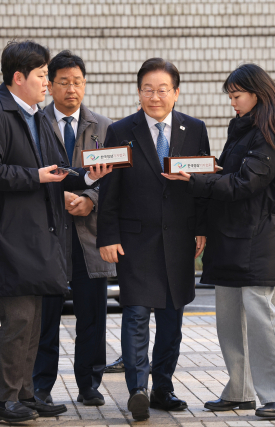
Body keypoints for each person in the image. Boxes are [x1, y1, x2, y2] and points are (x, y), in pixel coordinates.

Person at [0, 40, 112, 423]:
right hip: (9, 238)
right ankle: (4, 400)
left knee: (31, 324)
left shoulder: (32, 116)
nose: (47, 84)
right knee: (17, 322)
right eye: (42, 76)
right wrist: (35, 176)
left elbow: (58, 167)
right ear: (19, 78)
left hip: (36, 238)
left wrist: (87, 176)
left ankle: (26, 394)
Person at [164, 63, 275, 419]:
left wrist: (192, 180)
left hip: (256, 238)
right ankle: (240, 391)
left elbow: (245, 184)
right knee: (229, 319)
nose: (232, 103)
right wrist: (205, 171)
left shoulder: (270, 132)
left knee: (259, 317)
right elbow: (230, 173)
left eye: (236, 96)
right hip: (230, 236)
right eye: (230, 97)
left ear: (258, 93)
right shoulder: (243, 129)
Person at [97, 58, 209, 421]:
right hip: (134, 240)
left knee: (171, 320)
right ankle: (137, 390)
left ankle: (163, 388)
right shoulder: (120, 130)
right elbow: (109, 190)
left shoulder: (195, 129)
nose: (155, 96)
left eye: (163, 89)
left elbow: (203, 186)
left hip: (178, 241)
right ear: (138, 91)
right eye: (148, 89)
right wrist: (108, 235)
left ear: (176, 92)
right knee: (135, 315)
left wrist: (202, 228)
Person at [32, 50, 116, 406]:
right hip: (48, 235)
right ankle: (41, 385)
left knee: (92, 314)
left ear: (85, 84)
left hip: (88, 235)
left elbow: (116, 179)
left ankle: (89, 383)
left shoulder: (105, 127)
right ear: (50, 86)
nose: (71, 89)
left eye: (77, 82)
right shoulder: (34, 124)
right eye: (63, 82)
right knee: (45, 315)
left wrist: (91, 199)